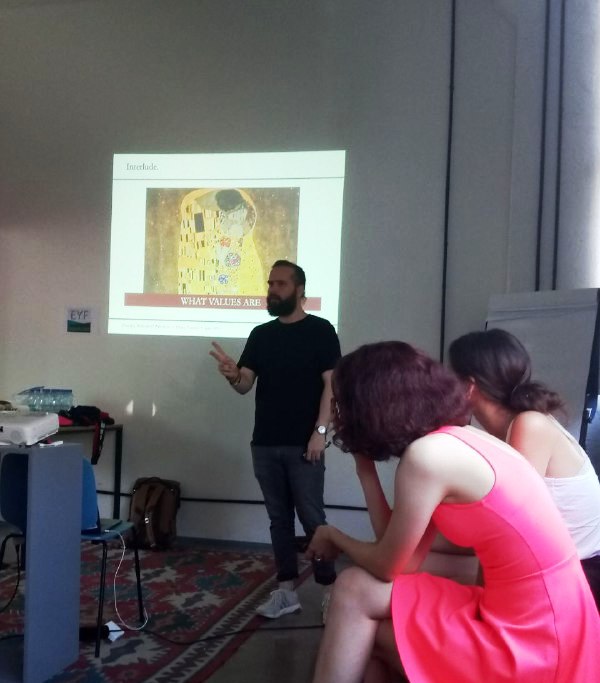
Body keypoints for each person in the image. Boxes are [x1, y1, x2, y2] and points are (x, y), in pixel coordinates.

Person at [306, 341, 600, 683]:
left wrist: (333, 536)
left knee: (354, 598)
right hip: (551, 619)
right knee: (357, 596)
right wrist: (365, 469)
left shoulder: (428, 458)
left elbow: (388, 565)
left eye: (340, 404)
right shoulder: (459, 438)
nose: (337, 415)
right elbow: (401, 556)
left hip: (535, 639)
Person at [210, 260, 340, 619]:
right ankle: (286, 593)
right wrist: (231, 374)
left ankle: (331, 592)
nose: (272, 290)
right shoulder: (261, 335)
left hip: (304, 444)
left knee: (312, 518)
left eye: (280, 284)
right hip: (265, 443)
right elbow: (244, 385)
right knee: (278, 519)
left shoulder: (321, 331)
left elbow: (332, 385)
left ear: (299, 290)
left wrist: (320, 432)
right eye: (270, 284)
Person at [449, 328, 600, 608]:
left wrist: (482, 604)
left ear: (468, 387)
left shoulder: (529, 425)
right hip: (553, 567)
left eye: (449, 379)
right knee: (423, 562)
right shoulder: (510, 428)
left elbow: (509, 528)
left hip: (581, 577)